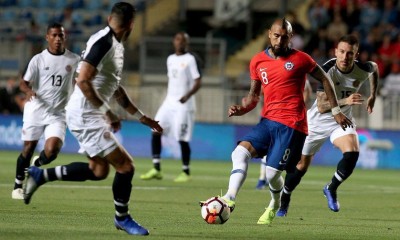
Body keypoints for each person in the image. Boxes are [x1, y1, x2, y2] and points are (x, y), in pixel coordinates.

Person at [23, 2, 162, 236]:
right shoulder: (104, 43)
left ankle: (41, 174)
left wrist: (141, 117)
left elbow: (115, 89)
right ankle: (122, 218)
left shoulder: (114, 44)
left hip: (87, 112)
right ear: (131, 25)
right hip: (87, 114)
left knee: (98, 170)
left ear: (110, 18)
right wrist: (106, 112)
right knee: (125, 167)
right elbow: (83, 80)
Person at [201, 18, 352, 225]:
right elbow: (253, 97)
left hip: (293, 125)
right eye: (276, 35)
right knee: (239, 152)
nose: (280, 40)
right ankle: (230, 197)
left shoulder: (301, 59)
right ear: (269, 35)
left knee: (272, 174)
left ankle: (274, 203)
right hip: (268, 121)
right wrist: (242, 108)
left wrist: (335, 110)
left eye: (284, 36)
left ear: (290, 37)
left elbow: (325, 79)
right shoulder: (257, 61)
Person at [276, 35, 379, 216]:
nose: (345, 57)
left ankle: (331, 188)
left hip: (341, 122)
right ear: (335, 51)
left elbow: (375, 68)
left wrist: (373, 95)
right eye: (342, 52)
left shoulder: (362, 69)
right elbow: (323, 106)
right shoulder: (327, 70)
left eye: (350, 53)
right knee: (301, 167)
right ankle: (285, 199)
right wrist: (346, 100)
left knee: (352, 153)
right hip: (316, 122)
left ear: (356, 54)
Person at [11, 22, 80, 200]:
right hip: (36, 110)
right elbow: (23, 83)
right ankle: (18, 185)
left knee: (52, 150)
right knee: (28, 148)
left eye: (61, 36)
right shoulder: (38, 59)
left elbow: (81, 80)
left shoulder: (74, 59)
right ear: (47, 37)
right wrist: (29, 91)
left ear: (65, 38)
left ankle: (38, 163)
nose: (58, 39)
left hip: (57, 113)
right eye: (54, 35)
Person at [140, 32, 202, 183]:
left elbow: (198, 81)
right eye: (177, 39)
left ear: (187, 43)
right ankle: (156, 169)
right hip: (169, 102)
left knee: (182, 138)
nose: (180, 42)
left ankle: (186, 172)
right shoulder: (170, 59)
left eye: (183, 40)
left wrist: (186, 96)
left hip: (184, 104)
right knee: (155, 129)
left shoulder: (190, 59)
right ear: (174, 42)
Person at [255, 79, 312, 190]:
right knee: (269, 147)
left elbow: (307, 90)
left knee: (282, 150)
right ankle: (263, 179)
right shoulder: (272, 74)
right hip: (271, 117)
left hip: (289, 119)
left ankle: (272, 179)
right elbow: (261, 91)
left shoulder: (298, 75)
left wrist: (299, 108)